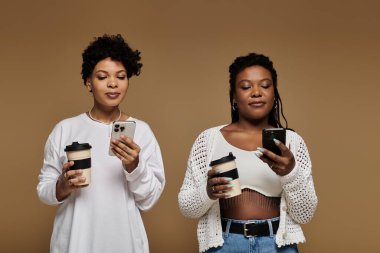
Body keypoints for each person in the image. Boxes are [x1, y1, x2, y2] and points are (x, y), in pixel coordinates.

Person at [37, 34, 165, 253]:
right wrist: (63, 185)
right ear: (88, 82)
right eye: (102, 76)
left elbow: (149, 199)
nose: (113, 83)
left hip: (125, 242)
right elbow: (44, 190)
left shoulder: (141, 131)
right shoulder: (65, 129)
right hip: (74, 242)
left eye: (121, 76)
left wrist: (134, 166)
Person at [178, 53, 317, 252]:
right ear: (234, 96)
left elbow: (305, 213)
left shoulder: (292, 143)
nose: (256, 92)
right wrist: (208, 192)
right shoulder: (209, 140)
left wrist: (290, 171)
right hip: (225, 245)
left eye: (265, 85)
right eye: (246, 86)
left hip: (277, 245)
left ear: (274, 93)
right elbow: (186, 207)